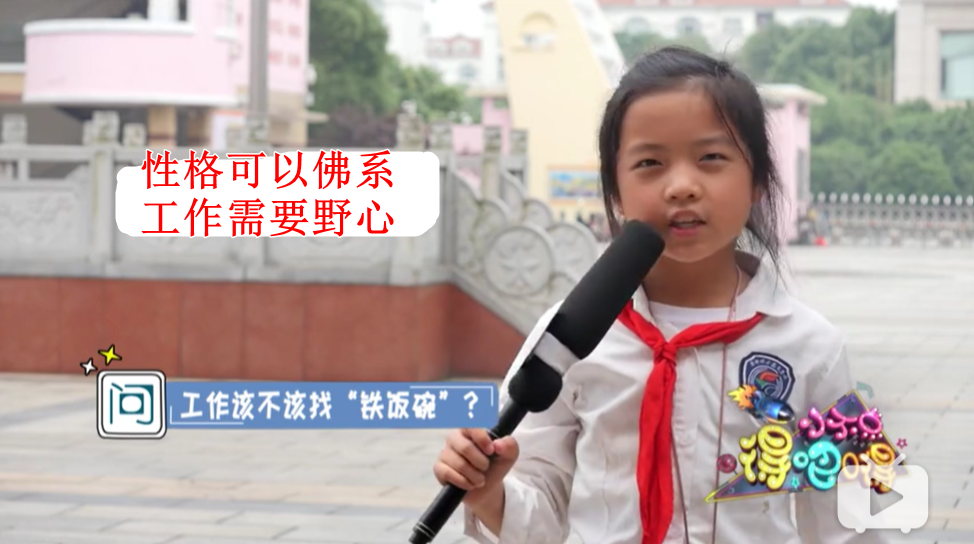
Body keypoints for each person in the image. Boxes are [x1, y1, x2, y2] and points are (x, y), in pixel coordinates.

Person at [432, 47, 888, 544]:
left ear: (758, 179)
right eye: (650, 162)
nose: (682, 186)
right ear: (615, 190)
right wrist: (489, 494)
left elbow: (854, 522)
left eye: (711, 158)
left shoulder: (814, 348)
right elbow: (540, 510)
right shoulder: (566, 340)